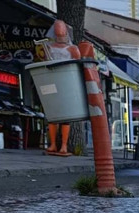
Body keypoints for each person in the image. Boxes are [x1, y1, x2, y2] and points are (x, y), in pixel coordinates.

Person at [43, 21, 80, 156]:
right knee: (53, 114)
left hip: (67, 83)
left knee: (65, 115)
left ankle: (63, 145)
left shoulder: (73, 49)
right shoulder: (48, 47)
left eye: (62, 32)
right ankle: (53, 144)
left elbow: (77, 66)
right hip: (52, 81)